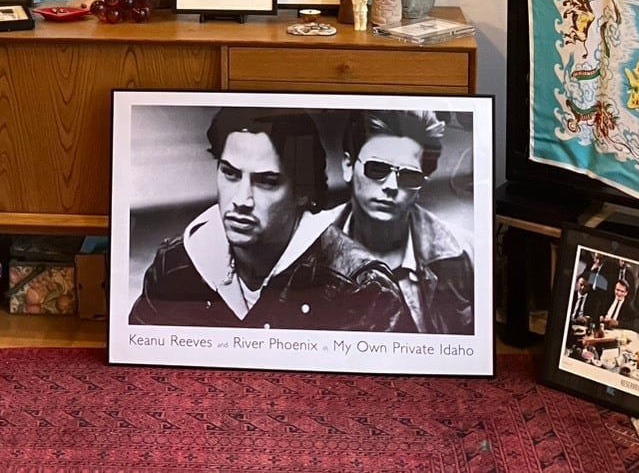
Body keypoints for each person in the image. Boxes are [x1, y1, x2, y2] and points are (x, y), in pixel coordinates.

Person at [129, 108, 409, 331]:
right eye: (230, 174)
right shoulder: (175, 263)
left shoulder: (362, 288)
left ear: (302, 191)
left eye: (266, 182)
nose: (241, 200)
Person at [334, 109, 473, 334]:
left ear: (421, 184)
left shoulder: (463, 253)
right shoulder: (305, 244)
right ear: (348, 166)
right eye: (377, 168)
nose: (391, 186)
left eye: (409, 176)